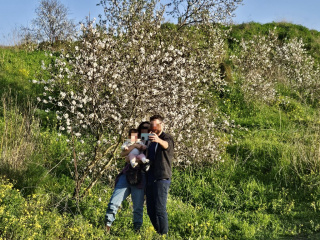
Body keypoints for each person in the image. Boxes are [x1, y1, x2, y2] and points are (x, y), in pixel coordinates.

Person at [104, 121, 150, 233]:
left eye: (148, 129)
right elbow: (123, 155)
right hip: (128, 173)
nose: (145, 130)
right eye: (143, 128)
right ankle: (107, 226)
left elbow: (146, 159)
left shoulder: (151, 142)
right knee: (114, 201)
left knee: (138, 207)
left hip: (141, 175)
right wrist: (134, 146)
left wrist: (134, 158)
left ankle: (137, 230)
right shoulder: (133, 141)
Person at [146, 115, 174, 235]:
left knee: (160, 209)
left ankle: (163, 235)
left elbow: (166, 145)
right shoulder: (151, 140)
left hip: (162, 177)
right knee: (150, 210)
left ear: (162, 125)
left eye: (156, 125)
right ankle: (159, 232)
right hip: (150, 177)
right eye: (152, 125)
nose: (154, 128)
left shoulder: (167, 137)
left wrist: (158, 140)